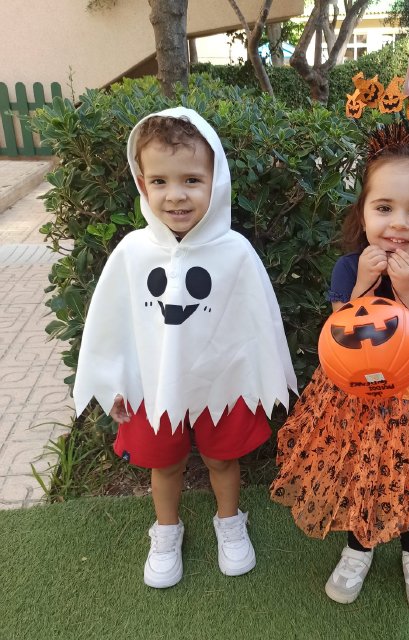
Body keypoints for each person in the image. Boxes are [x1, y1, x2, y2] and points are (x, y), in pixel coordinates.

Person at [270, 121, 409, 611]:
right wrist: (361, 288)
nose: (399, 224)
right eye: (384, 208)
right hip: (359, 397)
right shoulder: (350, 267)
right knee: (363, 471)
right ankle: (359, 547)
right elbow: (343, 338)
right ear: (364, 212)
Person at [73, 107, 297, 588]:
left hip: (221, 382)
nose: (176, 194)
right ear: (142, 183)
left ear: (216, 181)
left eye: (192, 179)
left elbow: (255, 323)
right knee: (165, 462)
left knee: (222, 459)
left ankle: (229, 521)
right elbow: (113, 325)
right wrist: (114, 382)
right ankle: (166, 529)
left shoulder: (235, 252)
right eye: (160, 181)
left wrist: (259, 376)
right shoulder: (133, 253)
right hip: (155, 384)